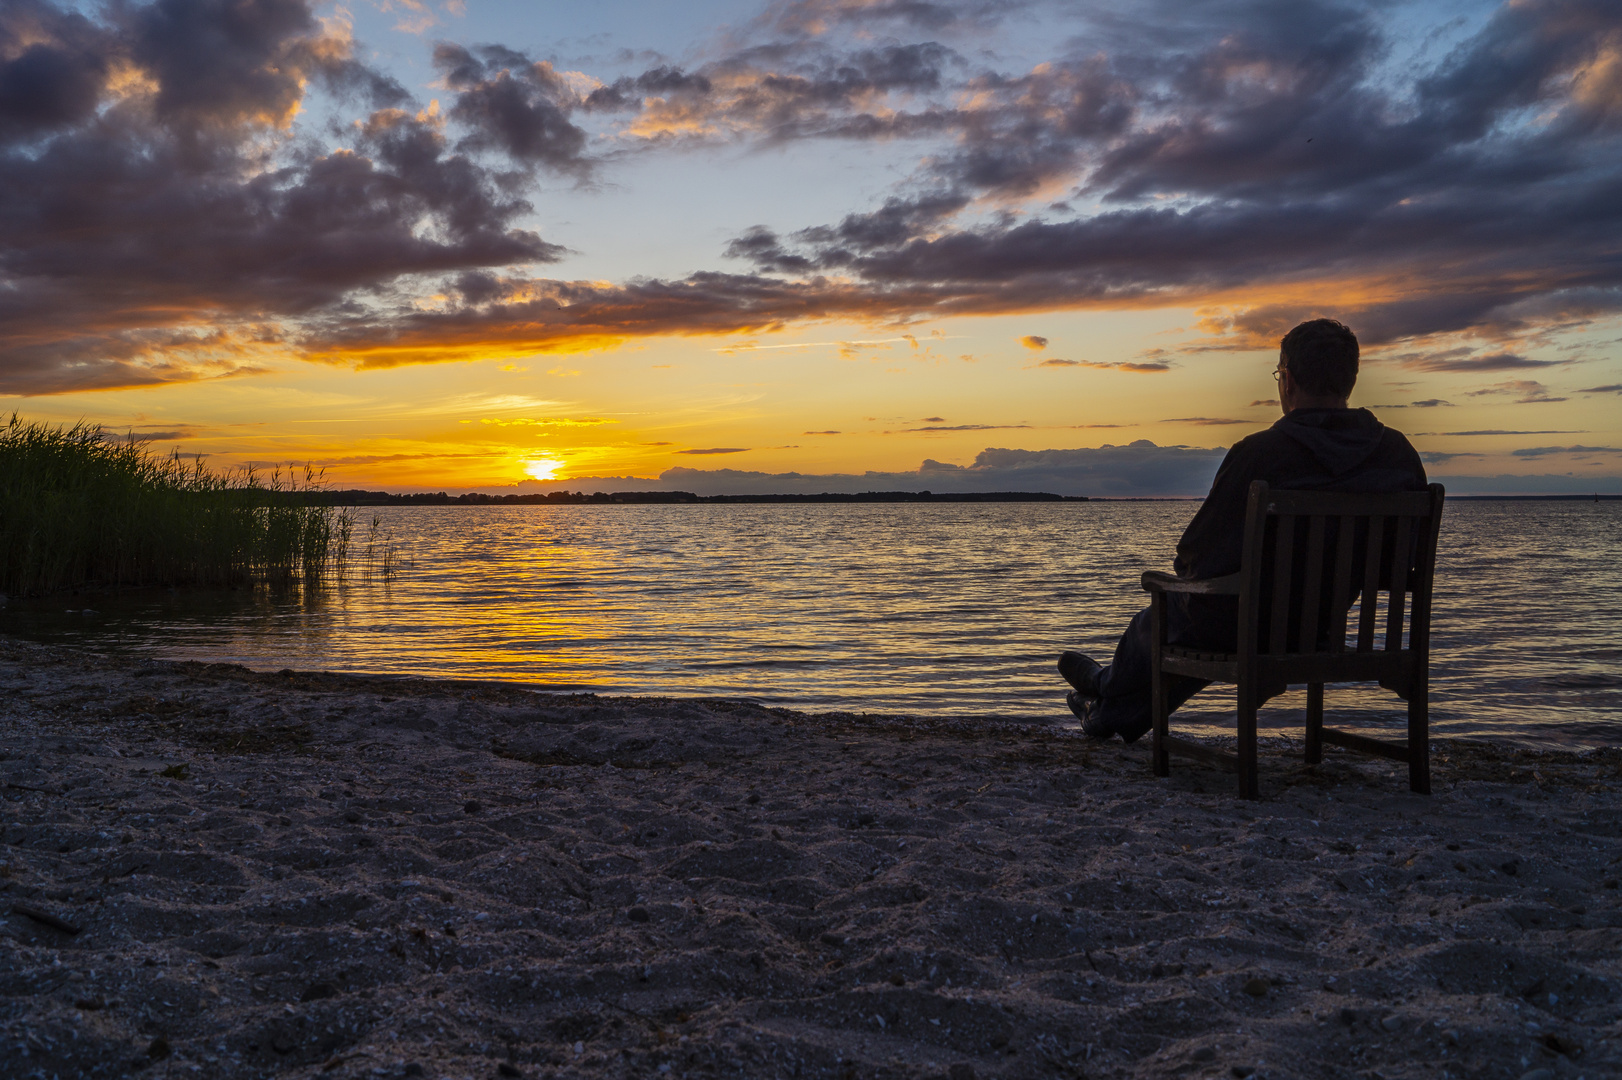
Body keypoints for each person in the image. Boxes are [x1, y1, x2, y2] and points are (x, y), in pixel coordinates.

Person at [1059, 318, 1427, 741]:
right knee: (1219, 625)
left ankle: (1103, 687)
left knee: (1162, 615)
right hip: (1324, 628)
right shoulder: (1398, 455)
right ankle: (1107, 714)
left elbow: (1196, 559)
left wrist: (1186, 578)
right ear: (1350, 380)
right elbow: (1400, 563)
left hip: (1252, 628)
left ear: (1286, 380)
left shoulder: (1258, 454)